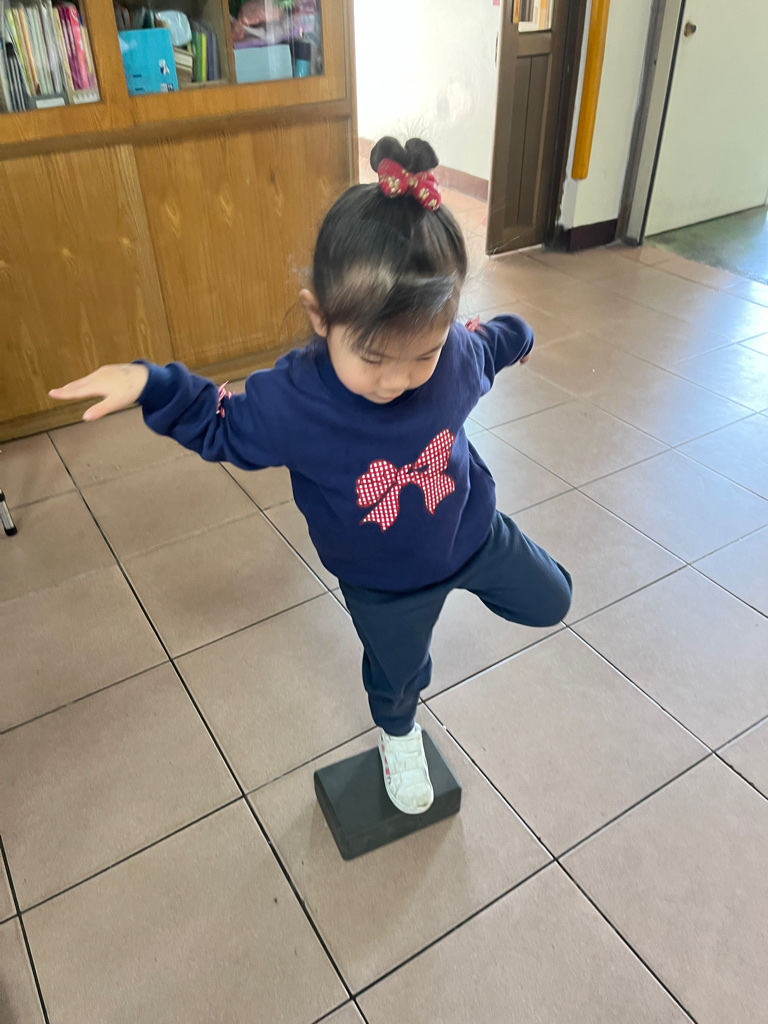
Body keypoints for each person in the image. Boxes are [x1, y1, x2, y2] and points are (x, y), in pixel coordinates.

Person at [50, 136, 573, 816]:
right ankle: (398, 735)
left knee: (553, 600)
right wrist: (151, 384)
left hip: (473, 535)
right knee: (399, 674)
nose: (397, 380)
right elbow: (218, 424)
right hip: (383, 583)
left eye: (422, 354)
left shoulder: (454, 358)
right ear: (320, 315)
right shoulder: (294, 403)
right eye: (374, 358)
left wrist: (521, 335)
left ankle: (471, 587)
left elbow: (491, 344)